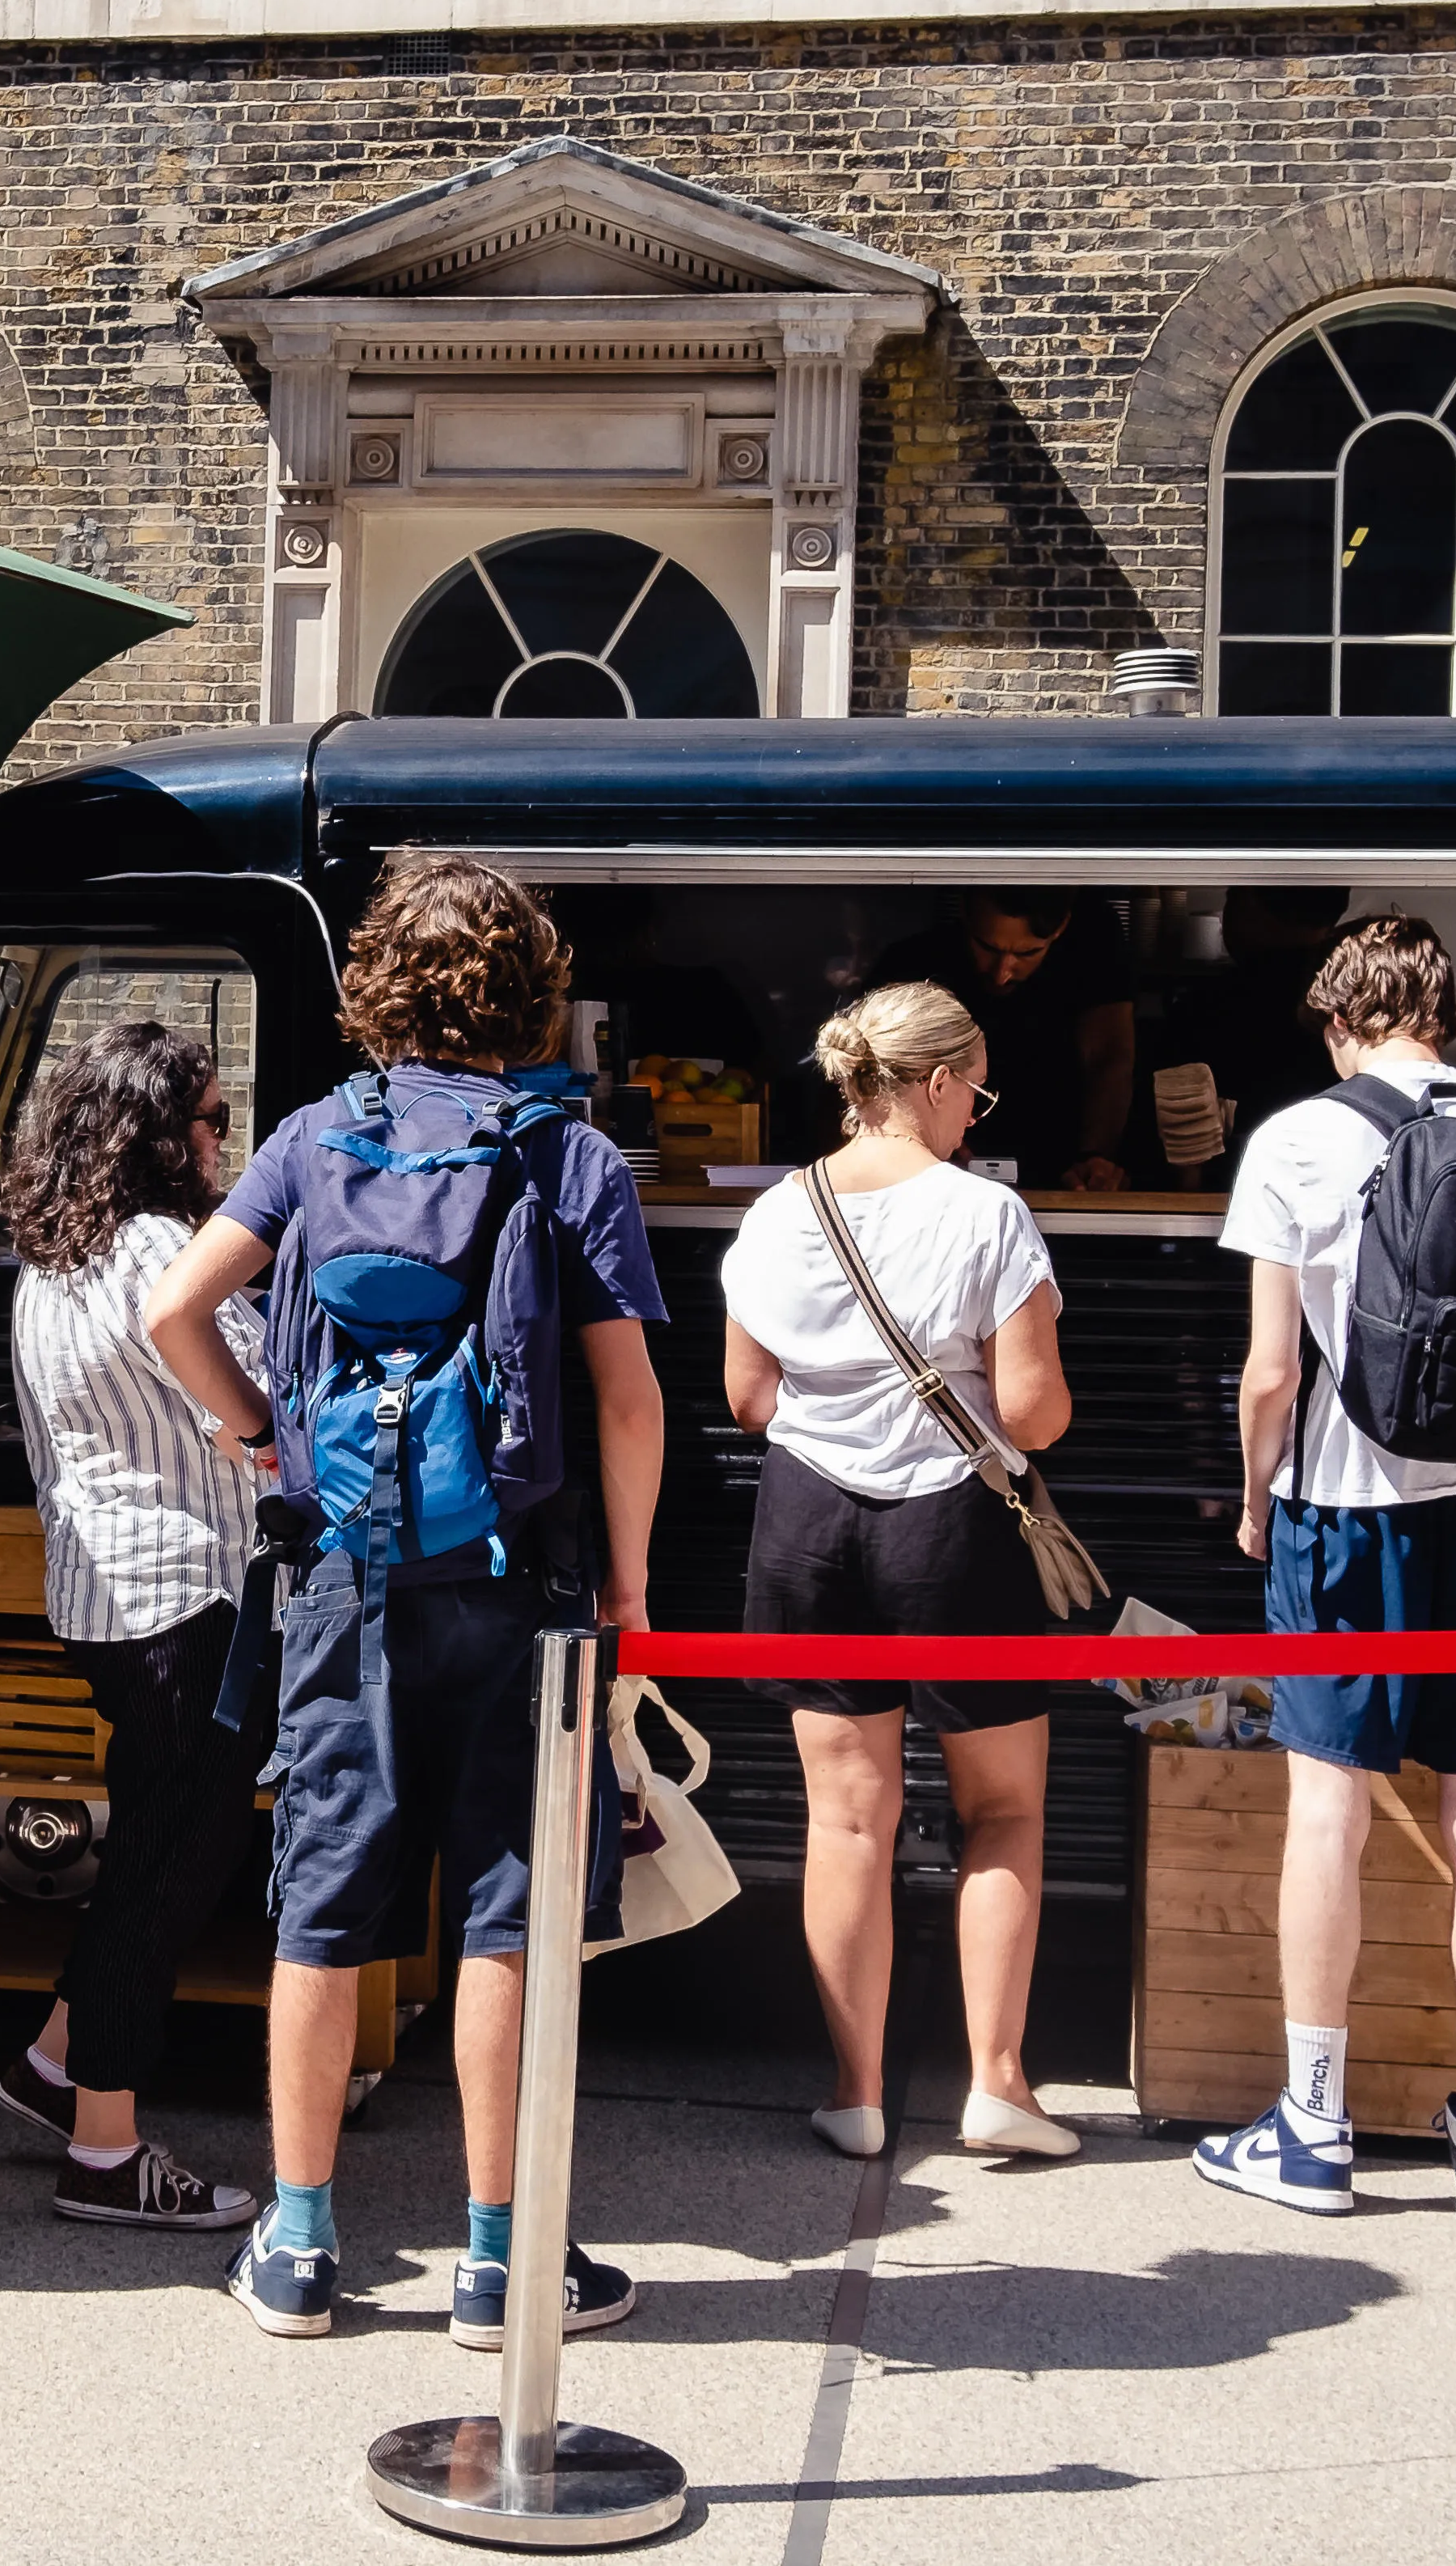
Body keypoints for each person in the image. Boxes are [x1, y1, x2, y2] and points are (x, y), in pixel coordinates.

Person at [144, 853, 667, 2349]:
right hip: (523, 1580)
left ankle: (300, 2245)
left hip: (343, 1575)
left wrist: (262, 1433)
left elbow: (174, 1308)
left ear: (378, 979)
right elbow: (625, 1402)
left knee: (321, 1904)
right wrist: (626, 1575)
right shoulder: (569, 1158)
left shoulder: (313, 1137)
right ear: (528, 990)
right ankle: (501, 2265)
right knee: (507, 1917)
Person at [1196, 913, 1456, 2224]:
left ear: (1337, 1019)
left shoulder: (1297, 1139)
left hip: (1343, 1508)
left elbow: (1270, 1372)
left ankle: (1312, 2125)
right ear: (1442, 1015)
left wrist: (1252, 1501)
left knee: (1328, 1808)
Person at [720, 983, 1080, 2167]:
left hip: (805, 1523)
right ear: (930, 1084)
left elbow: (747, 1399)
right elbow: (1028, 1414)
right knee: (1004, 1811)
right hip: (951, 1528)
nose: (975, 1112)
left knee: (847, 1821)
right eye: (972, 1089)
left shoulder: (774, 1213)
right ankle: (998, 2086)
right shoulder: (985, 1215)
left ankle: (856, 2092)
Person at [0, 1021, 265, 2232]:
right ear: (158, 1132)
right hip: (188, 1590)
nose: (223, 1140)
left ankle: (53, 2065)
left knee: (149, 1842)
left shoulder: (47, 1257)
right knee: (163, 1871)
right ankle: (105, 2151)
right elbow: (255, 1408)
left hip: (100, 1597)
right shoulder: (168, 1249)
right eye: (210, 1119)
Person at [862, 888, 1138, 1191]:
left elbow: (1109, 1056)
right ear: (965, 912)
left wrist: (1095, 1157)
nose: (1002, 974)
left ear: (1061, 929)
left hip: (1064, 1165)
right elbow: (864, 1080)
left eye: (1027, 953)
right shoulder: (912, 964)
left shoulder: (1095, 950)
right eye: (987, 947)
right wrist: (917, 1144)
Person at [1157, 886, 1350, 1159]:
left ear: (1248, 906)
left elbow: (1181, 1148)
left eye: (1231, 898)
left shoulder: (1205, 1010)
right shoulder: (1356, 1003)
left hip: (1225, 1184)